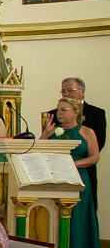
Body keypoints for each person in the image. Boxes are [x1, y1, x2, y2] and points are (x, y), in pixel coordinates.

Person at [44, 97, 103, 248]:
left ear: (76, 112)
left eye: (64, 110)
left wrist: (72, 164)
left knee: (77, 220)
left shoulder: (87, 132)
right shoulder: (53, 131)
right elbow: (39, 150)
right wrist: (46, 133)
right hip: (56, 179)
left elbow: (94, 157)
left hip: (78, 179)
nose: (59, 113)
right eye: (58, 109)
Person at [48, 77, 106, 208]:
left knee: (85, 208)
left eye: (70, 90)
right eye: (63, 91)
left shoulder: (96, 113)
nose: (66, 94)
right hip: (57, 173)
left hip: (84, 169)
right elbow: (45, 147)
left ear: (82, 91)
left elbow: (99, 143)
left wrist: (74, 162)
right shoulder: (52, 115)